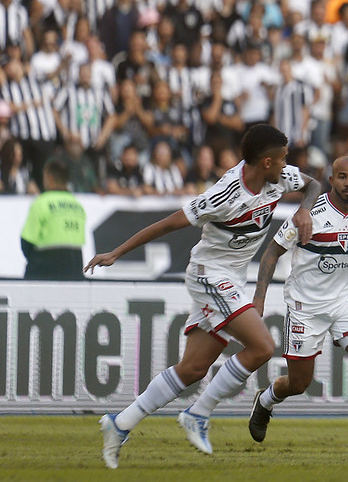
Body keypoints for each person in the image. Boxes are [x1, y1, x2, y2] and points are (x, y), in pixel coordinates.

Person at [85, 124, 322, 469]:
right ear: (267, 161)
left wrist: (304, 209)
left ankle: (120, 424)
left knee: (193, 368)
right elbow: (168, 223)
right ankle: (198, 413)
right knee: (261, 347)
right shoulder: (225, 193)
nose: (288, 165)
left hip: (231, 280)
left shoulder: (279, 176)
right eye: (283, 158)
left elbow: (314, 185)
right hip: (209, 275)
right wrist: (116, 253)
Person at [247, 155, 348, 449]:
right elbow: (271, 253)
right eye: (342, 177)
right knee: (298, 384)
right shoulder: (309, 214)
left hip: (345, 301)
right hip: (305, 306)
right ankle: (266, 399)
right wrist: (259, 297)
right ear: (331, 180)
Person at [21, 158, 86, 280]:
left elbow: (26, 243)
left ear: (50, 178)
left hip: (43, 271)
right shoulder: (78, 207)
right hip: (74, 272)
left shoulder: (41, 203)